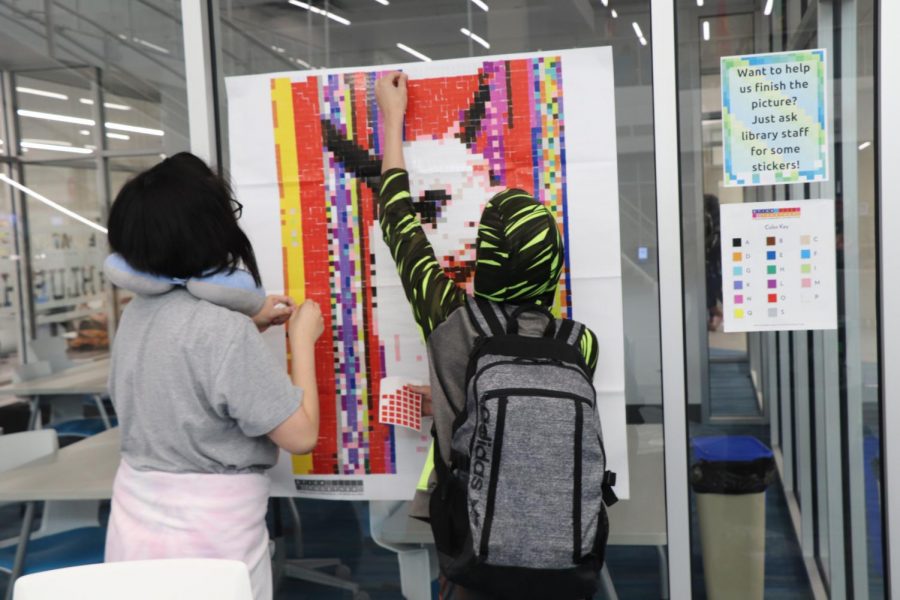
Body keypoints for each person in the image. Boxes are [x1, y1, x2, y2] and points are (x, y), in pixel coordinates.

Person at [374, 72, 600, 599]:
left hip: (471, 545)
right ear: (554, 267)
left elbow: (397, 219)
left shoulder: (451, 320)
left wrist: (392, 118)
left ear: (484, 260)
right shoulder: (581, 344)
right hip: (563, 548)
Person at [103, 153, 323, 600]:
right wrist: (302, 341)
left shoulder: (137, 314)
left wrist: (250, 327)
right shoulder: (223, 330)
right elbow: (300, 435)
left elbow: (184, 368)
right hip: (212, 543)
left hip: (134, 531)